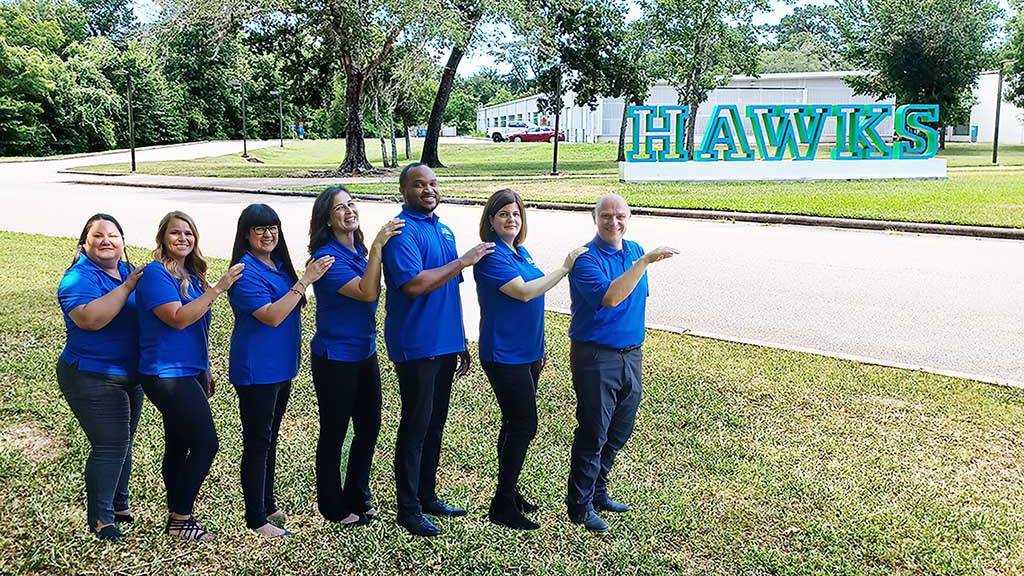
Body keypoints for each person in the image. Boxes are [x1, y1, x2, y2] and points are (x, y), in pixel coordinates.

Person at [382, 162, 494, 537]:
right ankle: (408, 508)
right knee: (416, 425)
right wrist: (463, 260)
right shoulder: (402, 232)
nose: (428, 190)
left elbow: (449, 289)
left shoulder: (443, 229)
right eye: (418, 184)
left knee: (435, 424)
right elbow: (414, 285)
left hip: (444, 344)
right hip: (416, 345)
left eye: (432, 183)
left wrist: (459, 340)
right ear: (404, 191)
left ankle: (427, 495)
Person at [473, 190, 587, 530]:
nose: (511, 219)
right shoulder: (492, 257)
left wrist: (539, 351)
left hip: (528, 353)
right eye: (504, 214)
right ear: (491, 221)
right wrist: (565, 267)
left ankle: (508, 492)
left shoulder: (520, 252)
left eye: (517, 214)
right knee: (524, 424)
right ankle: (502, 503)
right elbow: (525, 292)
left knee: (513, 423)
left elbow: (532, 292)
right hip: (503, 354)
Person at [565, 194, 678, 533]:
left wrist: (640, 261)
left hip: (632, 353)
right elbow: (612, 297)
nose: (614, 222)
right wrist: (642, 263)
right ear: (594, 218)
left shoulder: (633, 249)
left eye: (620, 216)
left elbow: (637, 299)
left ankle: (599, 492)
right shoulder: (586, 259)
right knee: (594, 431)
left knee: (619, 429)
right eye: (606, 216)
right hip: (596, 356)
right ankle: (579, 506)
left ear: (629, 217)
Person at [136, 211, 244, 541]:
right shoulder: (156, 275)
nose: (183, 238)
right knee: (206, 443)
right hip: (165, 372)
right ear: (162, 238)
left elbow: (199, 327)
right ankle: (181, 520)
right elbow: (179, 319)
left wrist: (205, 369)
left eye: (189, 233)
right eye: (176, 233)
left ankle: (176, 514)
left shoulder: (192, 275)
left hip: (190, 370)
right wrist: (220, 288)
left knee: (180, 442)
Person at [227, 204, 333, 539]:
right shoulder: (244, 271)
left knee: (270, 439)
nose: (268, 233)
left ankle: (267, 502)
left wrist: (300, 279)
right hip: (257, 368)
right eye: (259, 228)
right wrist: (305, 281)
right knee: (258, 442)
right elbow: (272, 315)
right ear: (246, 234)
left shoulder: (277, 266)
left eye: (273, 226)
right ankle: (256, 518)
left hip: (281, 366)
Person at [307, 186, 403, 527]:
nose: (349, 211)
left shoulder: (358, 251)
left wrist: (373, 249)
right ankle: (333, 506)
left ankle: (358, 495)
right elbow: (366, 292)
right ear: (327, 219)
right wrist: (378, 244)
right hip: (335, 358)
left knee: (369, 426)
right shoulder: (326, 258)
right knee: (335, 431)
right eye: (339, 209)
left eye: (351, 204)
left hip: (365, 351)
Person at [56, 214, 144, 541]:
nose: (106, 240)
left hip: (130, 374)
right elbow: (91, 319)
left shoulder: (126, 269)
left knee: (124, 443)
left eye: (113, 235)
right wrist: (129, 286)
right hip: (91, 374)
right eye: (98, 236)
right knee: (111, 444)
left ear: (123, 242)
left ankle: (120, 505)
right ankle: (101, 519)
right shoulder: (78, 279)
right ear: (84, 244)